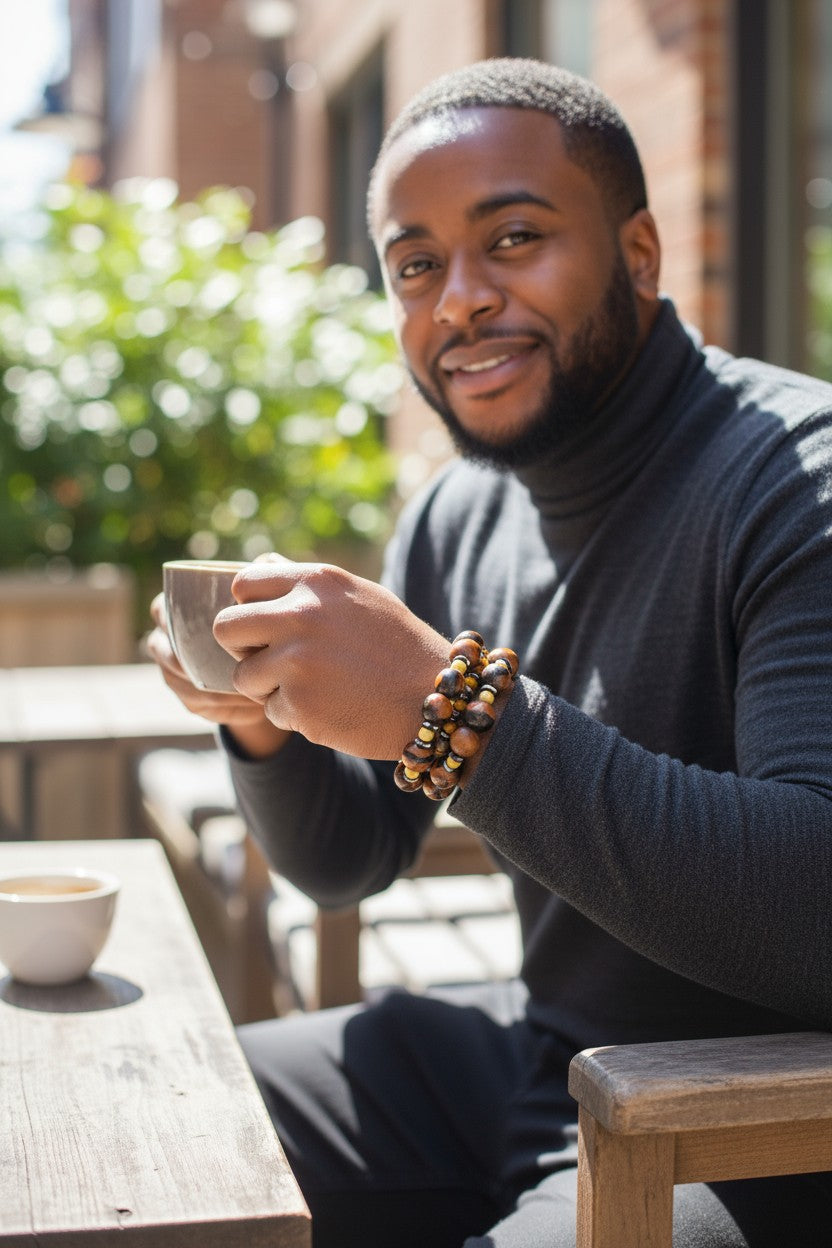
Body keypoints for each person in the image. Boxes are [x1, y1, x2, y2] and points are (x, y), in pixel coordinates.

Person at [147, 58, 832, 1248]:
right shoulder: (457, 514)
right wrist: (255, 709)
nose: (456, 299)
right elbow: (351, 858)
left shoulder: (793, 480)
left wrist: (452, 715)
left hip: (742, 1122)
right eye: (415, 265)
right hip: (548, 1053)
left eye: (511, 238)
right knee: (150, 1118)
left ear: (639, 253)